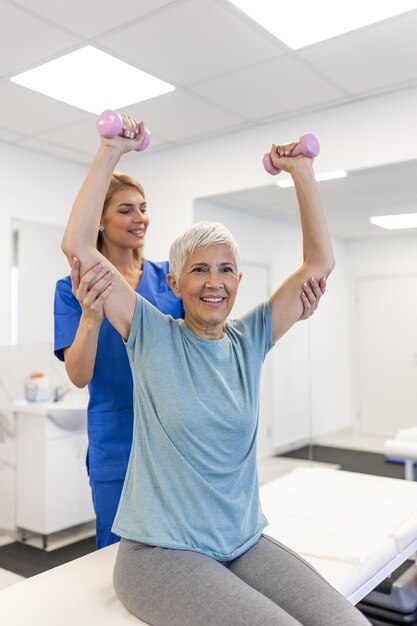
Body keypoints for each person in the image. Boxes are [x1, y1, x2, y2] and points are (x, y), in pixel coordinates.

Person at [61, 116, 369, 626]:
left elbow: (319, 265)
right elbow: (79, 246)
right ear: (176, 282)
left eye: (226, 269)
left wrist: (302, 172)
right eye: (200, 269)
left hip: (240, 542)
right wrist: (111, 150)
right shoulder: (152, 335)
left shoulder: (249, 341)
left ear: (239, 280)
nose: (215, 282)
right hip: (159, 555)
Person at [54, 169, 183, 549]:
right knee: (117, 553)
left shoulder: (169, 279)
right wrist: (91, 317)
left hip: (171, 436)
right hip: (116, 442)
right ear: (99, 221)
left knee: (177, 547)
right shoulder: (72, 289)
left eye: (143, 208)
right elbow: (78, 375)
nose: (140, 218)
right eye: (126, 210)